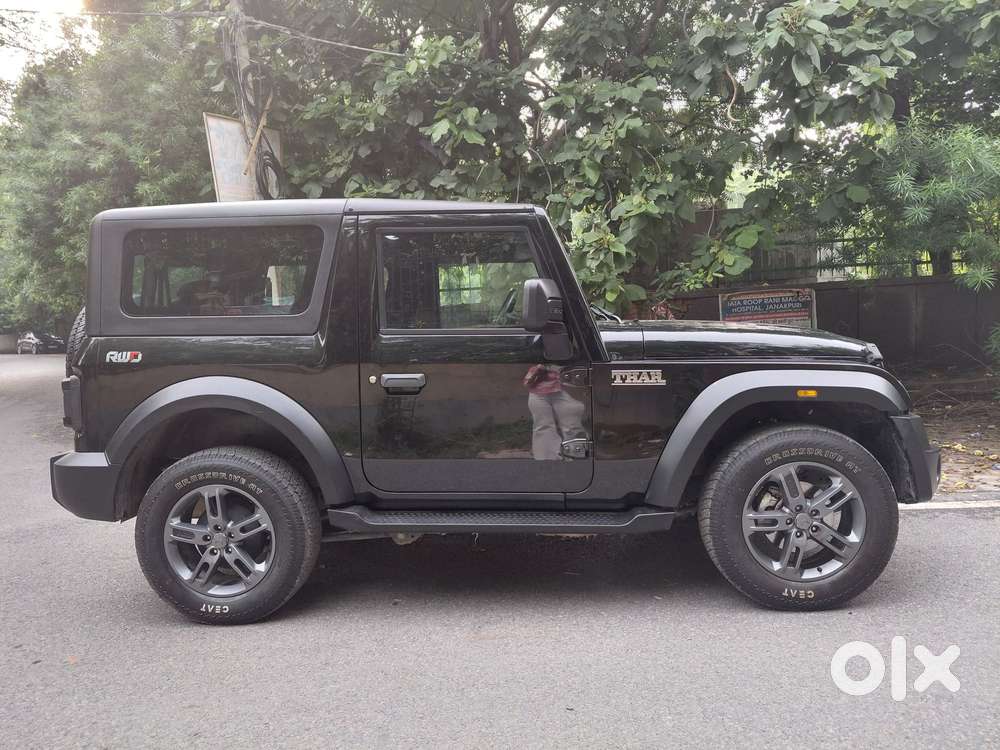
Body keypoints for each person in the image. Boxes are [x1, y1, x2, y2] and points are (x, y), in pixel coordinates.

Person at [523, 364, 587, 460]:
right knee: (543, 427)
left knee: (572, 426)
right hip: (537, 390)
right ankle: (546, 461)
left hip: (566, 388)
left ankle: (576, 459)